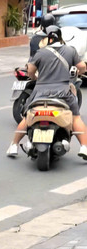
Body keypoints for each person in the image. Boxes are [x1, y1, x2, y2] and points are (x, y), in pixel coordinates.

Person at [8, 26, 87, 159]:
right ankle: (84, 147)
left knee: (28, 116)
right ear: (60, 37)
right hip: (63, 91)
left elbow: (30, 71)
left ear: (47, 38)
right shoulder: (70, 50)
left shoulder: (40, 52)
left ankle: (14, 145)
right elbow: (82, 67)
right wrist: (79, 72)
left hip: (40, 92)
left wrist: (35, 78)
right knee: (75, 117)